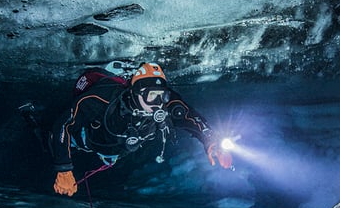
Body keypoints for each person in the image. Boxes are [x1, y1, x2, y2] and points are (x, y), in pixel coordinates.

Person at [47, 61, 232, 196]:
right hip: (86, 140)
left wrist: (210, 139)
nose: (159, 103)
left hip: (118, 152)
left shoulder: (163, 103)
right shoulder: (101, 99)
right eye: (152, 96)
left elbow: (188, 116)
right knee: (52, 137)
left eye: (163, 96)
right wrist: (63, 169)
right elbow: (63, 125)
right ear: (136, 93)